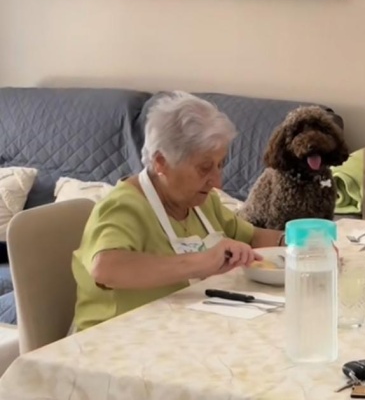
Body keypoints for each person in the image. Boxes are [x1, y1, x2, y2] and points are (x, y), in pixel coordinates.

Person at [72, 91, 284, 331]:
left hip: (180, 330)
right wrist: (202, 262)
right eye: (205, 168)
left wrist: (299, 244)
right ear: (161, 162)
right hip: (115, 340)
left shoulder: (201, 202)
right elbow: (106, 269)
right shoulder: (123, 207)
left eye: (220, 165)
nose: (217, 182)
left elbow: (251, 237)